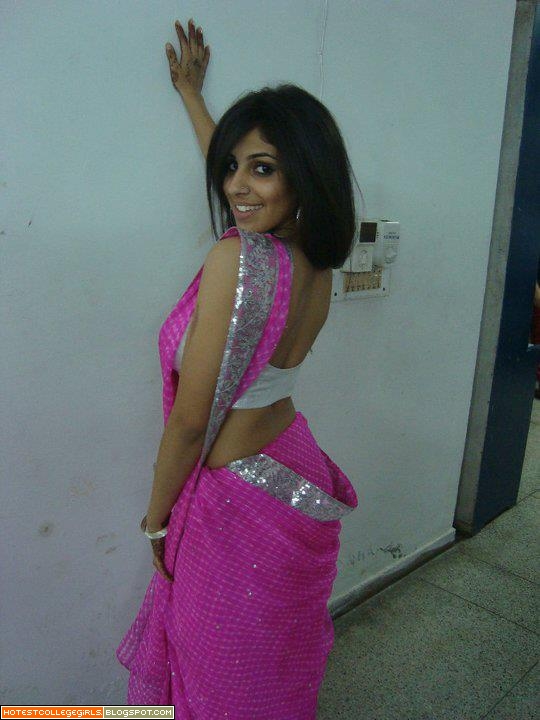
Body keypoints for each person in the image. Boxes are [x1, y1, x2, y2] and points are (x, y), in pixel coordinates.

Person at [116, 17, 359, 718]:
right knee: (271, 657)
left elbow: (192, 423)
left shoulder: (238, 259)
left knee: (217, 667)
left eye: (263, 168)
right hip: (295, 463)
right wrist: (194, 99)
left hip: (235, 497)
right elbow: (249, 194)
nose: (238, 188)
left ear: (301, 174)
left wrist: (157, 521)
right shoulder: (316, 260)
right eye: (231, 167)